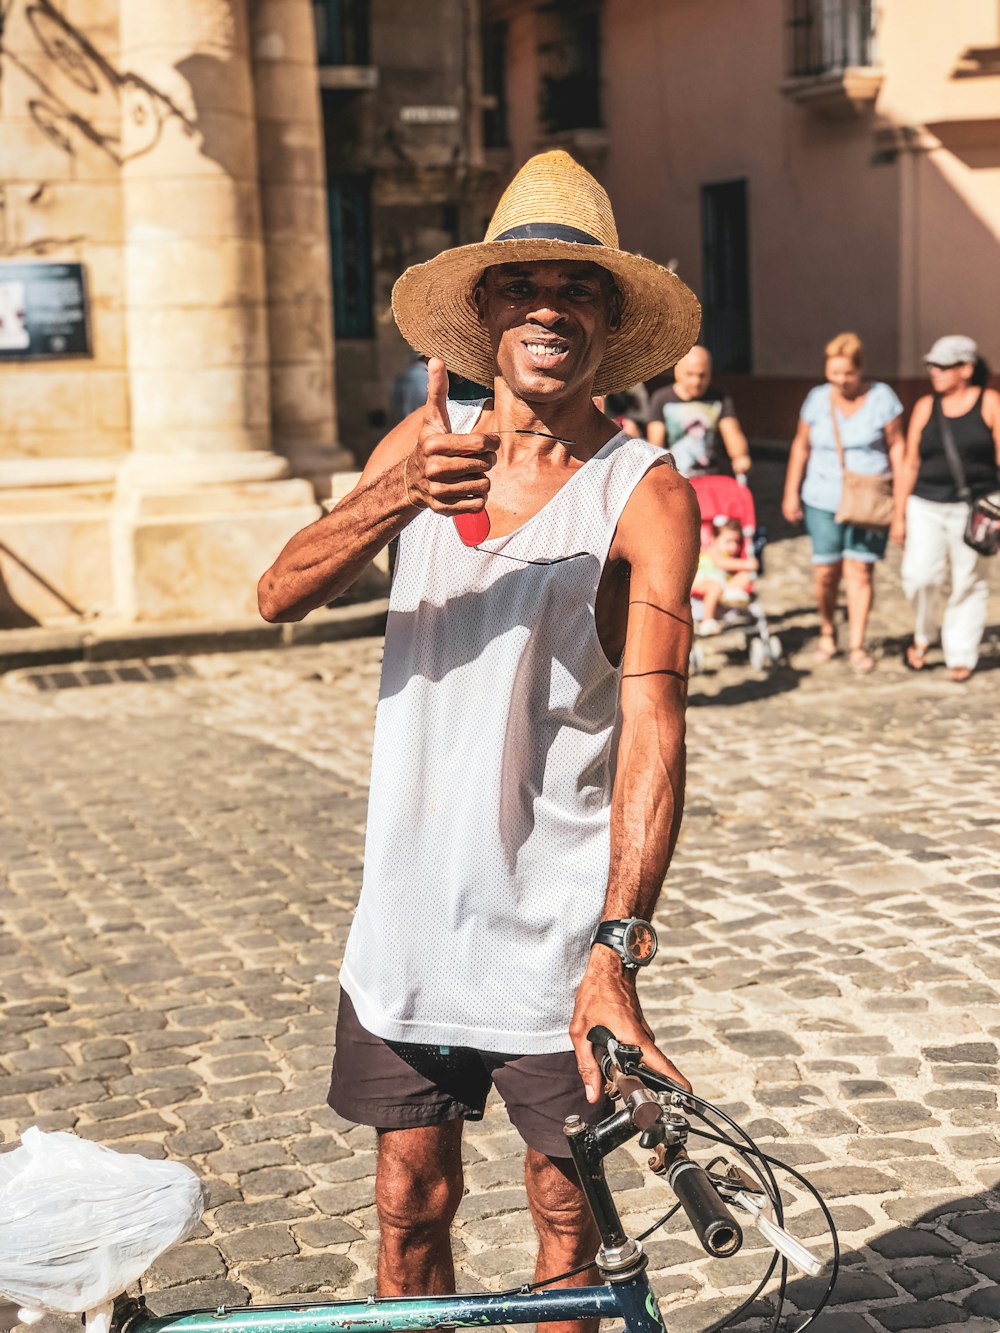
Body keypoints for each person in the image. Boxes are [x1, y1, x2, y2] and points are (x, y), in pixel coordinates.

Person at [256, 150, 702, 1330]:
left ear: (608, 323)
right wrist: (394, 492)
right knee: (408, 1203)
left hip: (552, 934)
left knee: (568, 1220)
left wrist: (617, 949)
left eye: (578, 289)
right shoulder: (421, 440)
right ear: (484, 313)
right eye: (521, 285)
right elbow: (276, 592)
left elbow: (656, 720)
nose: (548, 305)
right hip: (404, 920)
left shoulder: (641, 493)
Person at [781, 332, 904, 673]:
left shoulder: (883, 398)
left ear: (860, 370)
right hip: (822, 497)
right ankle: (827, 629)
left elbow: (898, 447)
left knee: (860, 570)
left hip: (868, 498)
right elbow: (800, 445)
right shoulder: (817, 399)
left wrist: (900, 500)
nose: (840, 380)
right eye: (833, 373)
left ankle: (857, 643)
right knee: (825, 572)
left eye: (847, 374)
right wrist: (791, 491)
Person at [895, 335, 1000, 683]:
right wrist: (898, 514)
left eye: (943, 366)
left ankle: (960, 652)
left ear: (966, 369)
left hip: (976, 509)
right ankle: (923, 633)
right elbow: (910, 462)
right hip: (925, 504)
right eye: (932, 365)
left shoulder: (990, 403)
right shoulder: (926, 406)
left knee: (969, 580)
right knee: (920, 576)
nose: (934, 371)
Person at [646, 345, 751, 478]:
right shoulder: (661, 399)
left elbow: (732, 433)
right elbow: (656, 444)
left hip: (714, 476)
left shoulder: (719, 398)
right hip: (678, 479)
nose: (696, 381)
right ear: (677, 371)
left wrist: (740, 457)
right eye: (690, 374)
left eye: (702, 375)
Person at [692, 517, 758, 636]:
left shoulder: (729, 556)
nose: (733, 546)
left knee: (745, 576)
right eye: (728, 541)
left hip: (722, 585)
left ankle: (731, 595)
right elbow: (721, 563)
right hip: (702, 582)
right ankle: (707, 621)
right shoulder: (711, 550)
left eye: (737, 542)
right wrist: (746, 564)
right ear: (714, 539)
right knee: (714, 587)